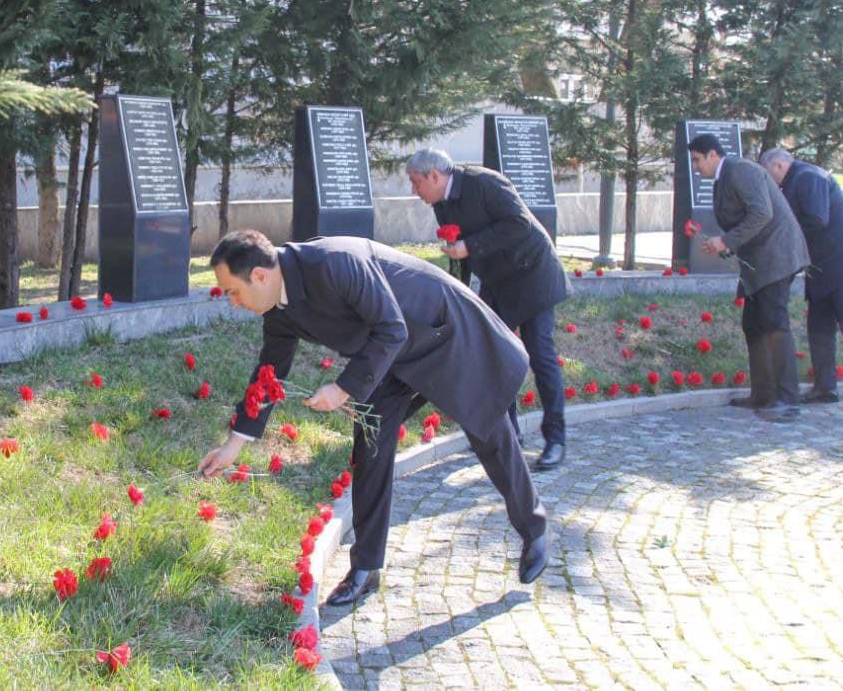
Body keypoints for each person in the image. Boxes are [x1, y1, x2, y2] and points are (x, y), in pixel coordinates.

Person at [199, 230, 548, 607]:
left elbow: (392, 327)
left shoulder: (334, 263)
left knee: (491, 435)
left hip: (442, 334)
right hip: (390, 357)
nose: (233, 302)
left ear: (260, 276)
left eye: (233, 291)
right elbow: (269, 374)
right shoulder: (279, 308)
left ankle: (534, 530)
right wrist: (233, 445)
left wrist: (342, 389)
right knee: (371, 445)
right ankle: (366, 568)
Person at [406, 148, 571, 470]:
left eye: (416, 182)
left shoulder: (485, 183)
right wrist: (460, 295)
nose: (414, 191)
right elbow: (459, 252)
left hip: (533, 276)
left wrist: (470, 245)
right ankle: (507, 436)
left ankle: (556, 440)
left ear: (434, 176)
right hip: (497, 283)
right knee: (494, 357)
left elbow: (519, 224)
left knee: (540, 355)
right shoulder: (441, 203)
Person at [688, 134, 810, 422]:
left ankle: (787, 400)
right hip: (759, 262)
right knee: (754, 324)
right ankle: (763, 394)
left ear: (713, 155)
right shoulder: (725, 177)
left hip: (777, 257)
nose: (695, 167)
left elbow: (762, 213)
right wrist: (724, 244)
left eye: (697, 159)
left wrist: (726, 241)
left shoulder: (741, 170)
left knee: (774, 323)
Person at [760, 148, 843, 412]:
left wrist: (787, 242)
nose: (768, 181)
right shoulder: (798, 179)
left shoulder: (808, 176)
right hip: (824, 265)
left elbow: (817, 219)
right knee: (818, 324)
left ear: (778, 166)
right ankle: (825, 386)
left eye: (767, 173)